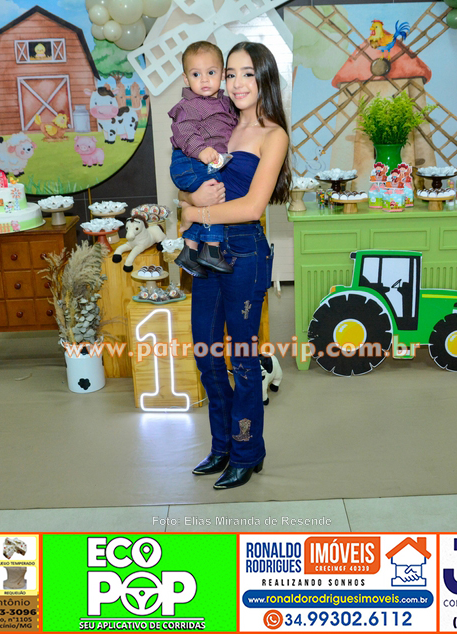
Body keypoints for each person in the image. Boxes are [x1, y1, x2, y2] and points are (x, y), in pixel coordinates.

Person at [178, 41, 291, 490]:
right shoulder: (217, 119)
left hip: (244, 253)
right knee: (206, 354)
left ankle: (247, 452)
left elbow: (251, 206)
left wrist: (194, 213)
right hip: (207, 254)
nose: (237, 83)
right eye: (231, 73)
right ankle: (222, 446)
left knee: (243, 361)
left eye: (248, 73)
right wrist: (189, 199)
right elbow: (189, 181)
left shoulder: (273, 135)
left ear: (264, 79)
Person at [169, 41, 238, 277]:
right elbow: (185, 132)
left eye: (211, 72)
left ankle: (189, 252)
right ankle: (211, 249)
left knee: (203, 199)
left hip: (203, 160)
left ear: (222, 74)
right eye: (196, 74)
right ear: (186, 79)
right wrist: (201, 150)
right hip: (190, 160)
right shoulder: (188, 106)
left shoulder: (225, 103)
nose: (204, 80)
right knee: (214, 192)